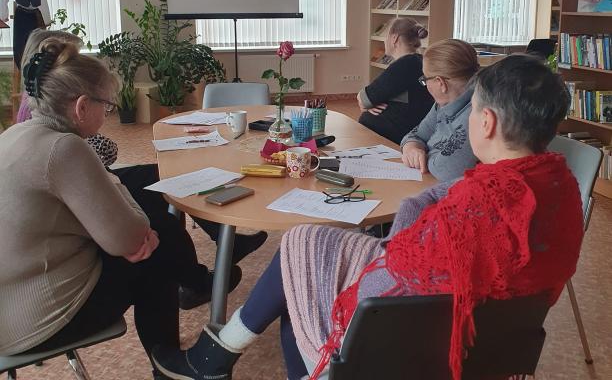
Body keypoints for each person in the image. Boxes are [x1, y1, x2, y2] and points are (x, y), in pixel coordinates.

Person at [152, 54, 584, 380]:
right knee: (308, 240)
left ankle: (228, 357)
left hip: (411, 341)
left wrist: (341, 286)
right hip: (490, 341)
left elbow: (388, 287)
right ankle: (221, 351)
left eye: (471, 111)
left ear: (485, 122)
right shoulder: (559, 191)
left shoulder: (471, 213)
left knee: (304, 277)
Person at [0, 38, 241, 380]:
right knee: (156, 252)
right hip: (37, 319)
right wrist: (127, 214)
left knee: (157, 237)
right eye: (106, 105)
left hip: (11, 305)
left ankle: (180, 332)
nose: (108, 112)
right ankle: (171, 367)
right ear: (82, 107)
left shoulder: (16, 134)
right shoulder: (65, 148)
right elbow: (131, 238)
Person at [15, 28, 268, 270]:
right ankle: (198, 274)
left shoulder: (32, 114)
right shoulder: (62, 142)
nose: (108, 112)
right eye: (106, 106)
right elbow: (104, 160)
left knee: (166, 182)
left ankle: (210, 256)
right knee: (161, 218)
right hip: (76, 217)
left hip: (77, 204)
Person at [400, 38, 480, 181]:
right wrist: (412, 148)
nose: (425, 85)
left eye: (425, 79)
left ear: (440, 83)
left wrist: (423, 154)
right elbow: (415, 135)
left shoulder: (477, 113)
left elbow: (446, 170)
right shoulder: (442, 104)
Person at [357, 18, 434, 144]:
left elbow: (365, 99)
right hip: (403, 132)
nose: (384, 41)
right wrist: (368, 101)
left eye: (386, 36)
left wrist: (366, 101)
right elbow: (369, 98)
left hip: (393, 138)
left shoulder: (405, 64)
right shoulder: (417, 61)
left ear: (394, 38)